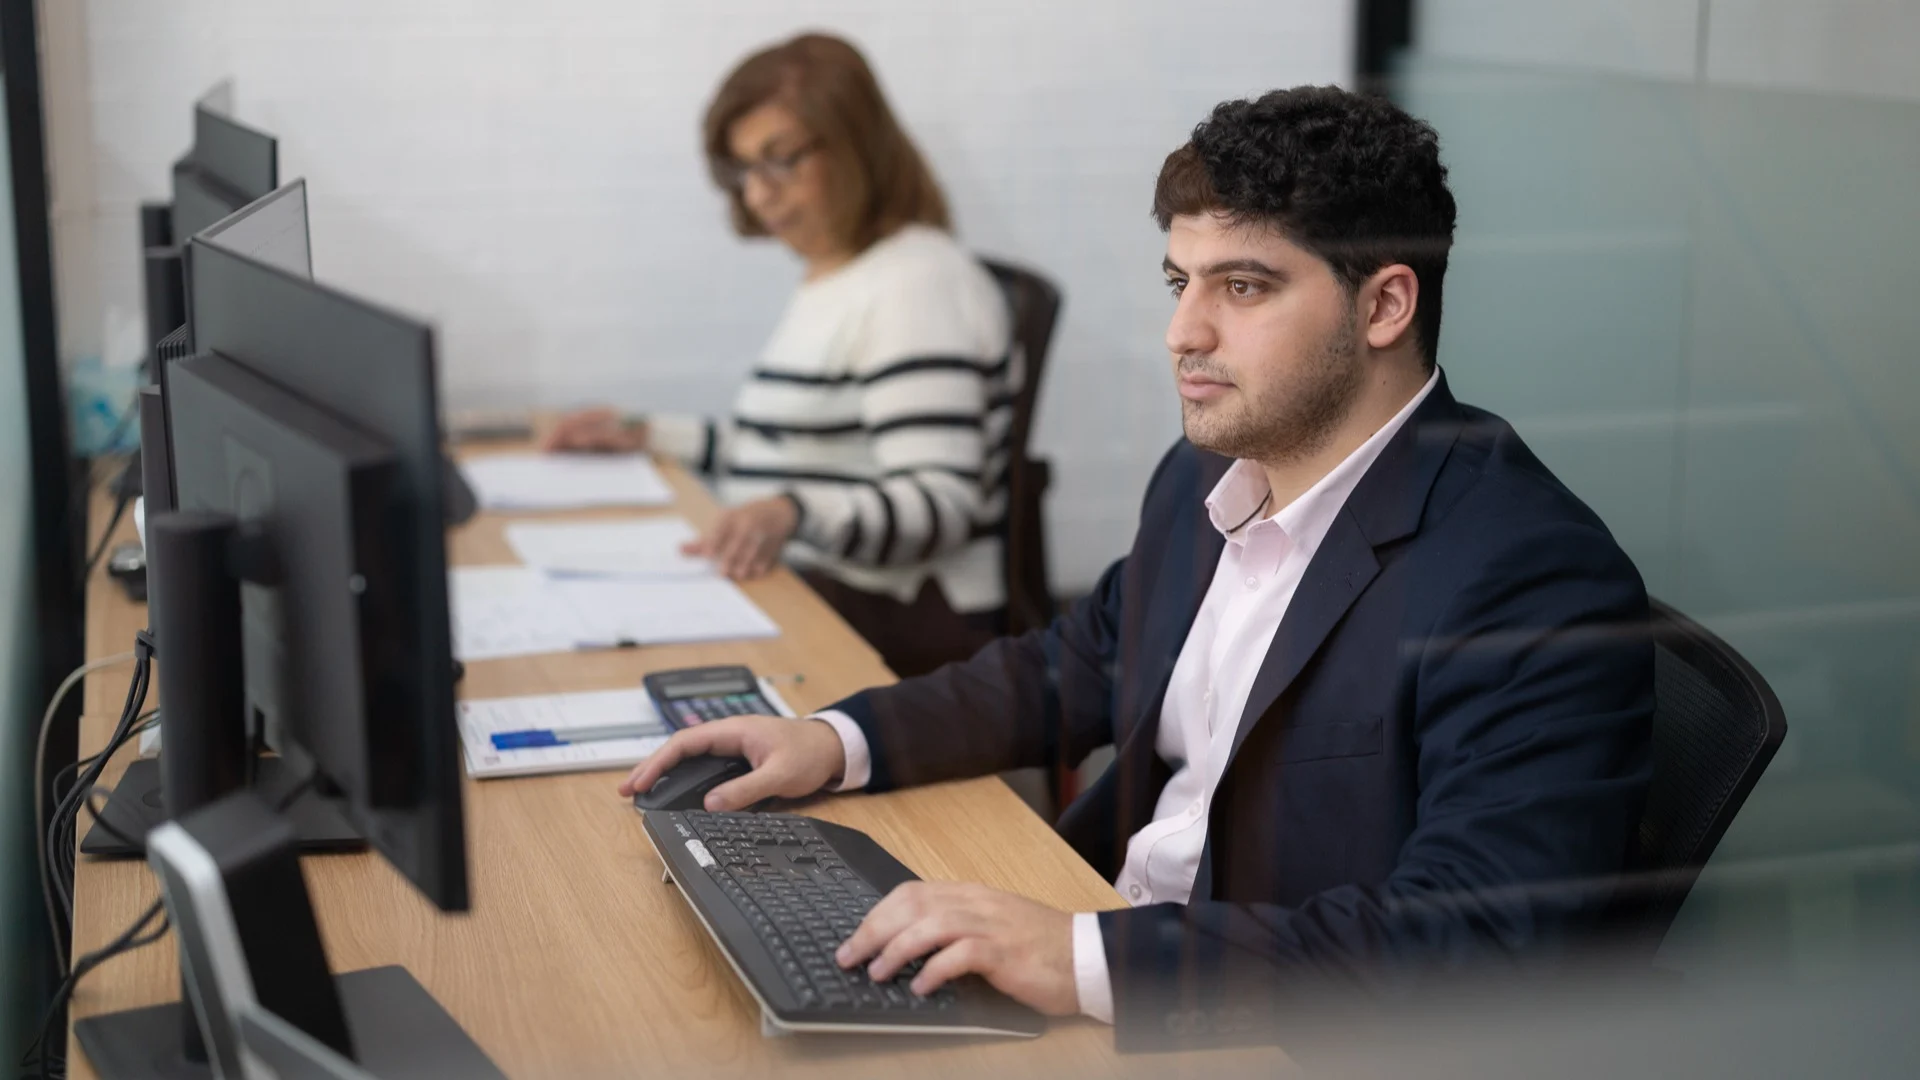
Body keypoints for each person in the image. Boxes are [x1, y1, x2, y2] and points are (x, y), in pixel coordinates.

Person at [621, 86, 1654, 1050]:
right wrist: (838, 739)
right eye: (1180, 282)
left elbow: (1471, 946)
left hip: (1249, 1024)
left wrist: (1076, 957)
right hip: (1116, 940)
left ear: (1384, 306)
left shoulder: (1527, 575)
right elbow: (1079, 659)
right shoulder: (1209, 471)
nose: (1182, 333)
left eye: (1243, 287)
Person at [545, 33, 1012, 676]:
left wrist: (793, 513)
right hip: (834, 586)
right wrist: (648, 435)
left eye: (780, 160)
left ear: (854, 146)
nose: (758, 195)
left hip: (900, 615)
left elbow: (941, 506)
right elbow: (787, 447)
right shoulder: (841, 274)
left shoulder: (914, 284)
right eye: (743, 171)